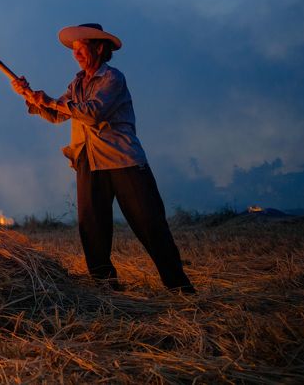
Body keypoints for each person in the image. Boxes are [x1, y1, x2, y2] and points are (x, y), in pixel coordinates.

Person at [11, 23, 195, 294]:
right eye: (74, 50)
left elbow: (92, 113)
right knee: (92, 229)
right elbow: (57, 115)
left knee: (150, 224)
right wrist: (29, 96)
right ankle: (105, 290)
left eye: (80, 48)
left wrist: (48, 100)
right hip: (88, 161)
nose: (76, 54)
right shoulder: (76, 84)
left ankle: (179, 288)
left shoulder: (113, 79)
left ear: (98, 48)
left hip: (124, 162)